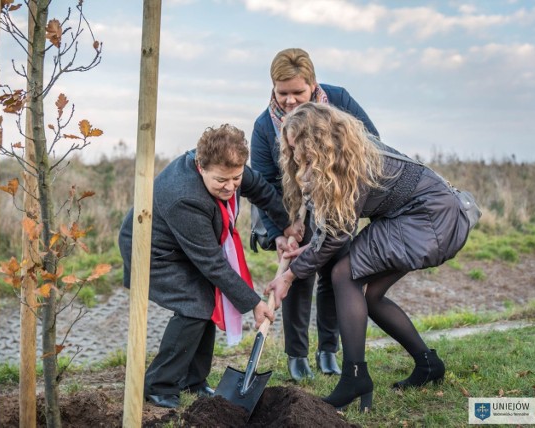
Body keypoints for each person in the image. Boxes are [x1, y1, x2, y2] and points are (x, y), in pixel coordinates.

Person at [266, 102, 473, 412]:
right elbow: (333, 226)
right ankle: (429, 364)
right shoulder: (334, 158)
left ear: (317, 139)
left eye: (298, 144)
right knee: (371, 295)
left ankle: (354, 377)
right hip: (421, 214)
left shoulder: (352, 163)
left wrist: (290, 275)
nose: (293, 151)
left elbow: (337, 234)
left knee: (345, 274)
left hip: (428, 216)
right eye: (290, 143)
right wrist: (305, 249)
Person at [118, 124, 302, 408]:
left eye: (236, 178)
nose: (230, 187)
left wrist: (287, 227)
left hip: (182, 247)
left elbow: (262, 191)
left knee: (204, 301)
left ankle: (193, 380)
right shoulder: (185, 198)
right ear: (200, 167)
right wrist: (254, 302)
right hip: (152, 251)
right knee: (195, 304)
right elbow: (213, 264)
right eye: (221, 181)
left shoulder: (229, 165)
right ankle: (159, 385)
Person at [250, 47, 380, 381]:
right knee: (297, 276)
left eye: (298, 92)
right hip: (292, 210)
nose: (290, 101)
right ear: (273, 88)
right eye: (283, 93)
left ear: (313, 84)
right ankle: (297, 355)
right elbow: (264, 185)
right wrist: (281, 230)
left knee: (335, 272)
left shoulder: (339, 100)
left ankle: (328, 351)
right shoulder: (264, 126)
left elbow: (371, 142)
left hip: (336, 202)